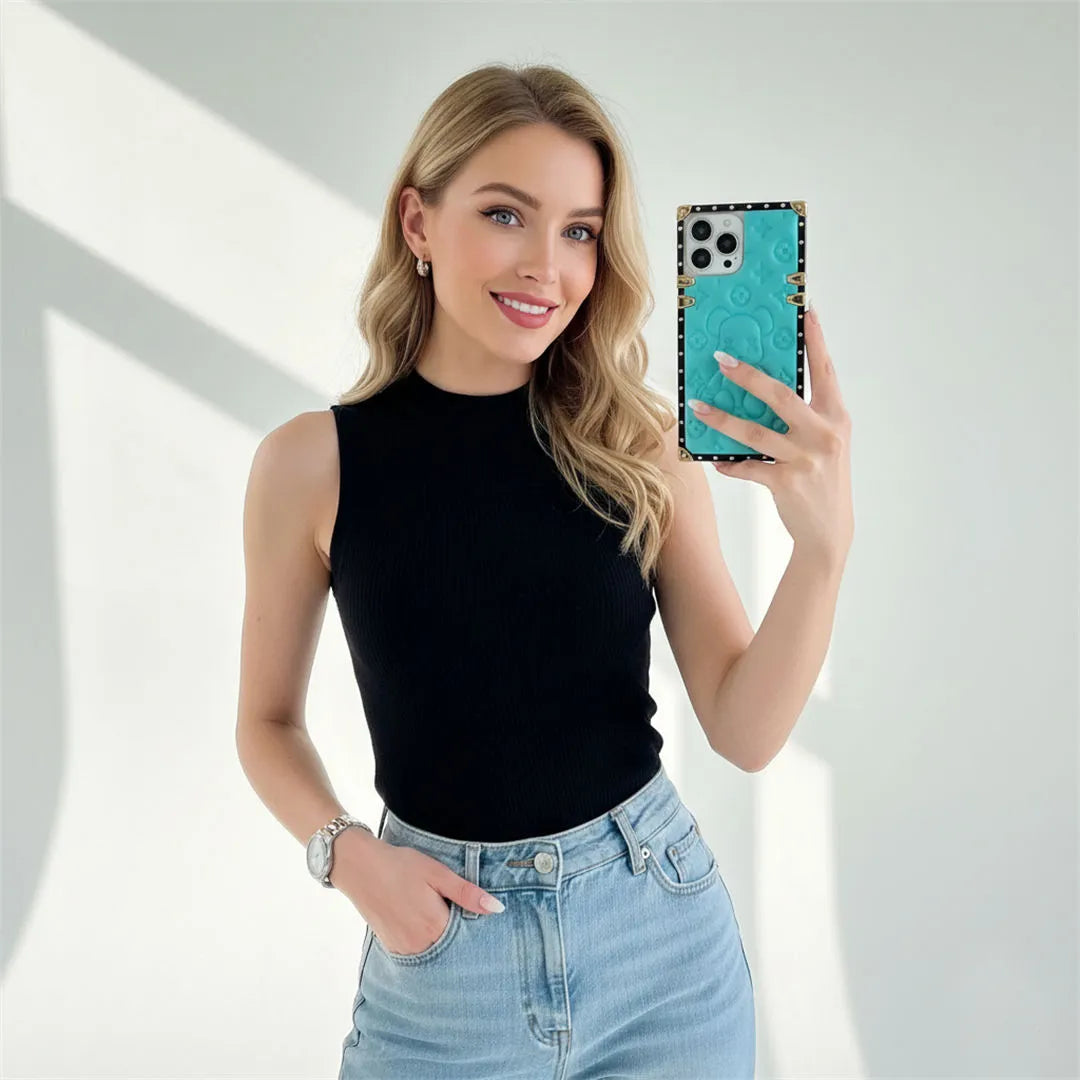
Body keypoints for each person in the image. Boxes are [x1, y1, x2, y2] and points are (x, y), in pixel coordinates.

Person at [236, 61, 853, 1080]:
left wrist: (823, 551)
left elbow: (746, 730)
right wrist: (348, 859)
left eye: (579, 231)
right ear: (418, 223)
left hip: (661, 944)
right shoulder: (309, 465)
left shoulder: (640, 447)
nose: (547, 268)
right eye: (506, 215)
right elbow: (265, 724)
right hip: (442, 960)